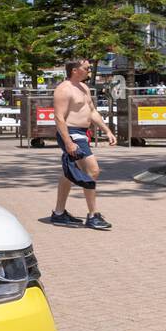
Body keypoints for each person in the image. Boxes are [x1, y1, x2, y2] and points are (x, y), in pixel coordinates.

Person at [50, 59, 115, 230]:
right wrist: (68, 142)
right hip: (72, 134)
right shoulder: (64, 89)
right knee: (92, 170)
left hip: (82, 134)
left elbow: (92, 112)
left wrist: (107, 130)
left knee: (70, 173)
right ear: (74, 70)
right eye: (86, 68)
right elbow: (59, 118)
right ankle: (93, 215)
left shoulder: (84, 87)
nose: (89, 71)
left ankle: (58, 213)